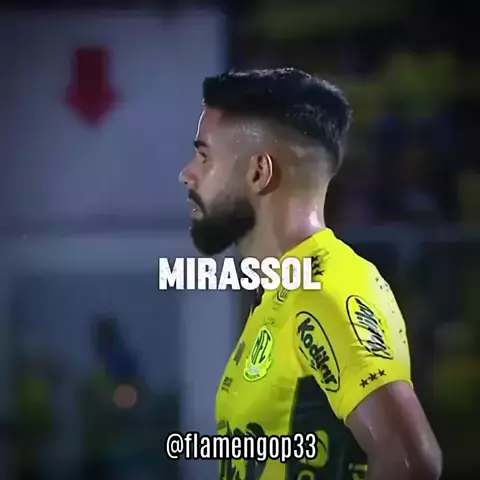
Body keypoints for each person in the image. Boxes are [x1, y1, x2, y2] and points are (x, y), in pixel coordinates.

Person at [179, 68, 442, 480]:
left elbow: (411, 461)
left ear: (259, 173)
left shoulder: (326, 289)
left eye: (204, 156)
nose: (187, 173)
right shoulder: (282, 294)